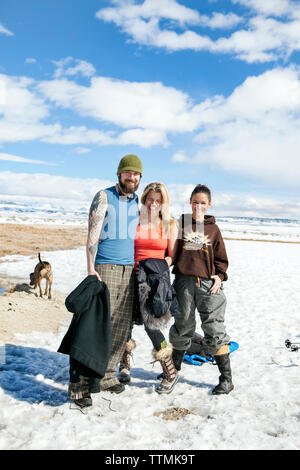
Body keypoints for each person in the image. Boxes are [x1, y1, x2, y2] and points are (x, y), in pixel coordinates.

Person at [169, 184, 234, 395]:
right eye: (195, 202)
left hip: (207, 284)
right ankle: (174, 371)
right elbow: (171, 251)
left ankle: (226, 379)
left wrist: (220, 275)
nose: (198, 206)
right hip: (183, 282)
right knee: (182, 326)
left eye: (202, 203)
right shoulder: (181, 225)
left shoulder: (214, 229)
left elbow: (221, 258)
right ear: (190, 203)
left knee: (214, 328)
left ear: (209, 205)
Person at [86, 154, 142, 394]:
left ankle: (107, 375)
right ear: (119, 173)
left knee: (121, 325)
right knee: (101, 322)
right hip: (105, 266)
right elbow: (91, 236)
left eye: (136, 173)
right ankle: (90, 373)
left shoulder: (135, 201)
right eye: (128, 172)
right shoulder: (103, 196)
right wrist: (90, 269)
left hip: (129, 269)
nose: (132, 176)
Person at [118, 182, 179, 394]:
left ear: (163, 203)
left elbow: (172, 256)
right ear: (144, 199)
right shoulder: (134, 222)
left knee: (151, 326)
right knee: (123, 322)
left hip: (153, 281)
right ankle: (124, 365)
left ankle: (170, 371)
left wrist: (157, 269)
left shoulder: (170, 224)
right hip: (129, 277)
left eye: (158, 200)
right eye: (150, 199)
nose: (154, 203)